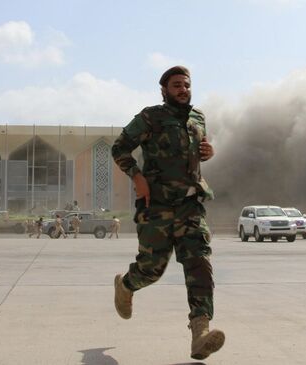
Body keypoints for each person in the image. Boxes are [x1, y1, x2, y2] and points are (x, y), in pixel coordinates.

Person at [111, 66, 223, 360]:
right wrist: (137, 176)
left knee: (199, 264)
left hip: (190, 205)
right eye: (176, 85)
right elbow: (119, 148)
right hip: (157, 207)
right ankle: (126, 285)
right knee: (152, 269)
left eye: (186, 85)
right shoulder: (150, 117)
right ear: (164, 90)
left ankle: (200, 333)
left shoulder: (198, 117)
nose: (182, 89)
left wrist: (207, 152)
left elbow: (195, 152)